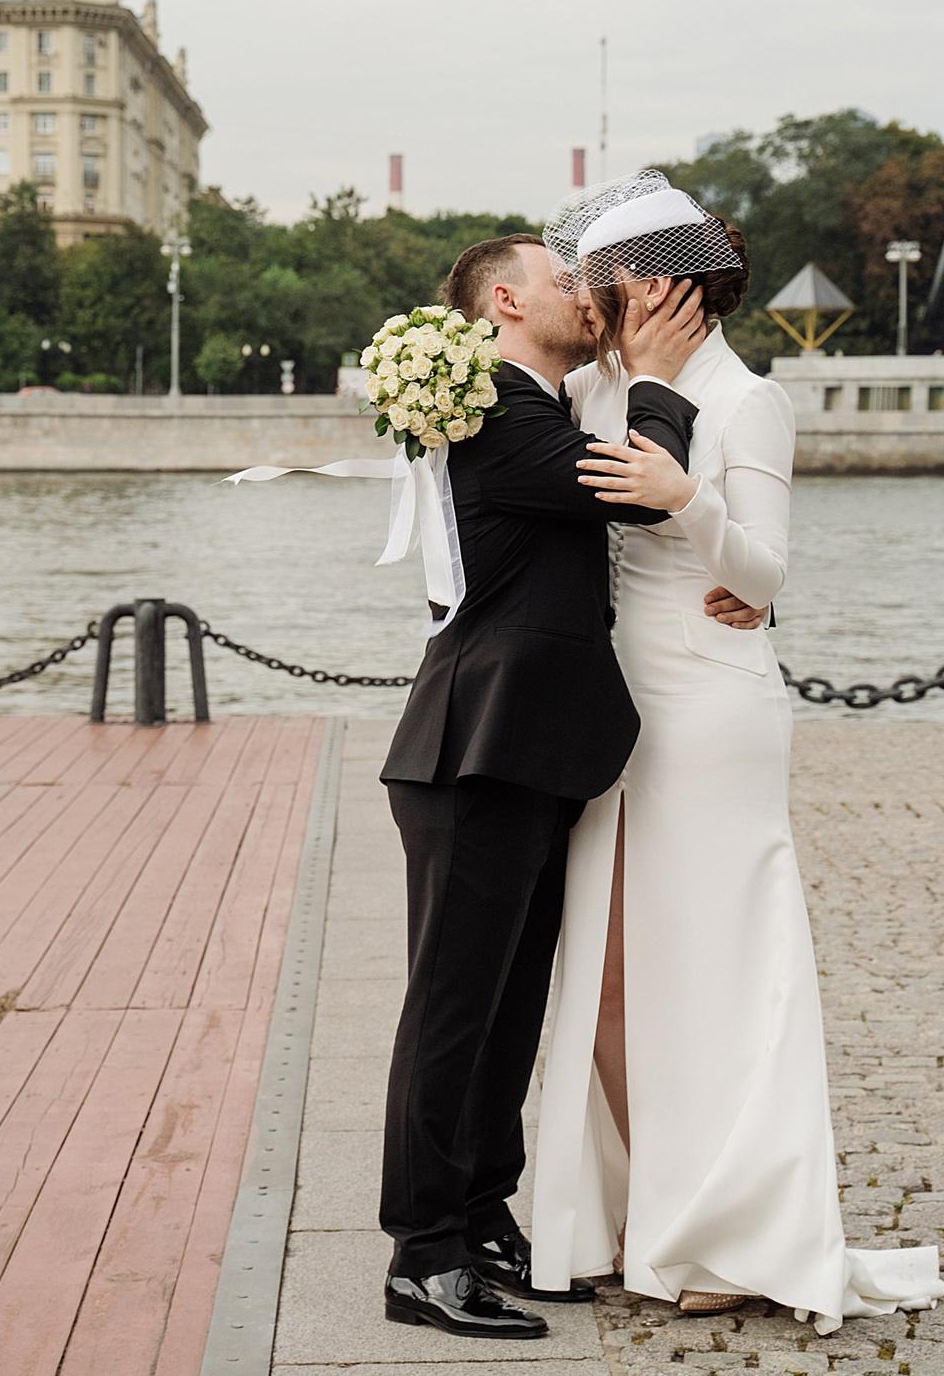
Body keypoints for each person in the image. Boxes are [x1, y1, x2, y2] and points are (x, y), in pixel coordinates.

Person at [530, 177, 944, 1331]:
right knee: (609, 972)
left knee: (710, 967)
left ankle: (730, 1231)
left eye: (596, 282)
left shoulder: (747, 396)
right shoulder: (591, 388)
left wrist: (689, 499)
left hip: (708, 711)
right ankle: (648, 1208)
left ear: (657, 283)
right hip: (609, 698)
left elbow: (762, 573)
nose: (582, 298)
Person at [376, 231, 709, 1340]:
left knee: (509, 1009)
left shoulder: (529, 407)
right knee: (454, 1009)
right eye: (566, 277)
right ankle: (421, 1253)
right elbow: (637, 492)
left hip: (529, 747)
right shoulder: (489, 412)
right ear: (506, 303)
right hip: (475, 746)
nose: (590, 289)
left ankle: (478, 1214)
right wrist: (659, 380)